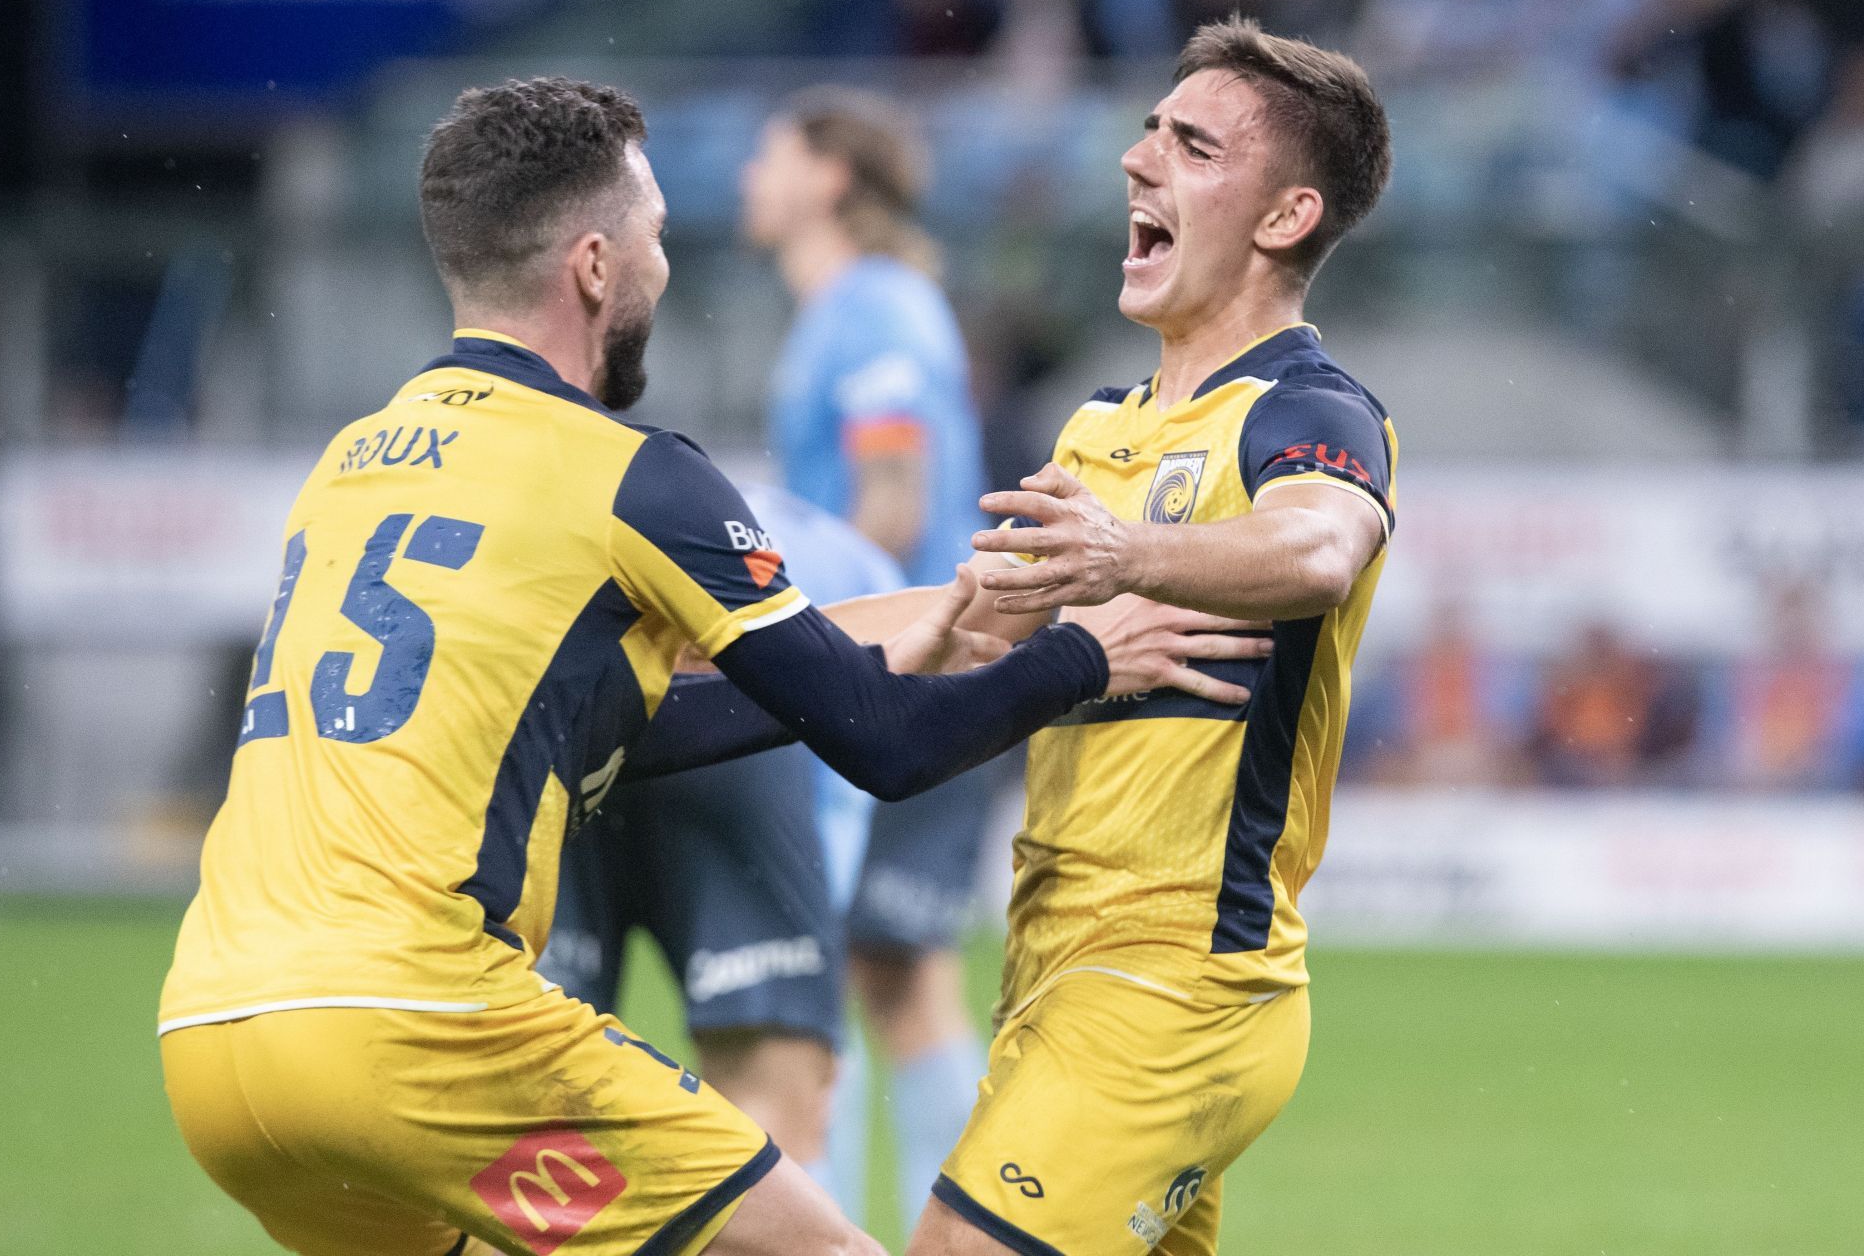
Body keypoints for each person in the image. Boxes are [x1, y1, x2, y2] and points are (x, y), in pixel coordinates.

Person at [155, 77, 1256, 1256]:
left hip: (214, 1037)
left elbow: (604, 727)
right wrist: (1084, 657)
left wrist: (917, 621)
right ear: (592, 265)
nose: (665, 267)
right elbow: (884, 743)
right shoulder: (629, 471)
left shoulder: (353, 461)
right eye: (656, 236)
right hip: (420, 1023)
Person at [879, 18, 1400, 1256]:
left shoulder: (1309, 409)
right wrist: (716, 635)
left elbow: (1321, 548)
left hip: (1182, 975)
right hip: (1050, 959)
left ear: (1283, 218)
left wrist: (1128, 553)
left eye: (1191, 145)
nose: (1136, 159)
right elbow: (963, 624)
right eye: (1148, 129)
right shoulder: (1097, 429)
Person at [739, 87, 1000, 1218]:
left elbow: (890, 503)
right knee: (892, 972)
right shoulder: (854, 308)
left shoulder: (876, 309)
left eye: (770, 149)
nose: (749, 172)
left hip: (905, 671)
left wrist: (803, 647)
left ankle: (853, 1228)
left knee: (836, 973)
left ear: (828, 178)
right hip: (910, 667)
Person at [536, 482, 908, 1196]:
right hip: (746, 722)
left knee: (535, 1126)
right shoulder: (843, 561)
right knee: (777, 1118)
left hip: (565, 702)